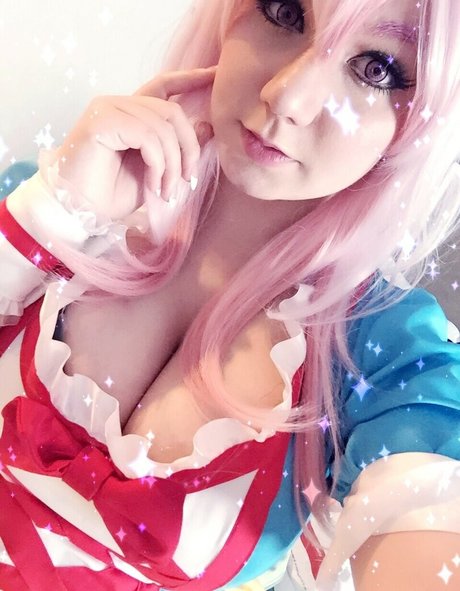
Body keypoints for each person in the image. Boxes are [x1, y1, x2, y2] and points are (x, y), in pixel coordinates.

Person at [0, 0, 459, 589]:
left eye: (376, 68)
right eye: (285, 12)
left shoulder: (391, 355)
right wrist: (53, 212)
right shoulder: (66, 191)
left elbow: (427, 521)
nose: (287, 98)